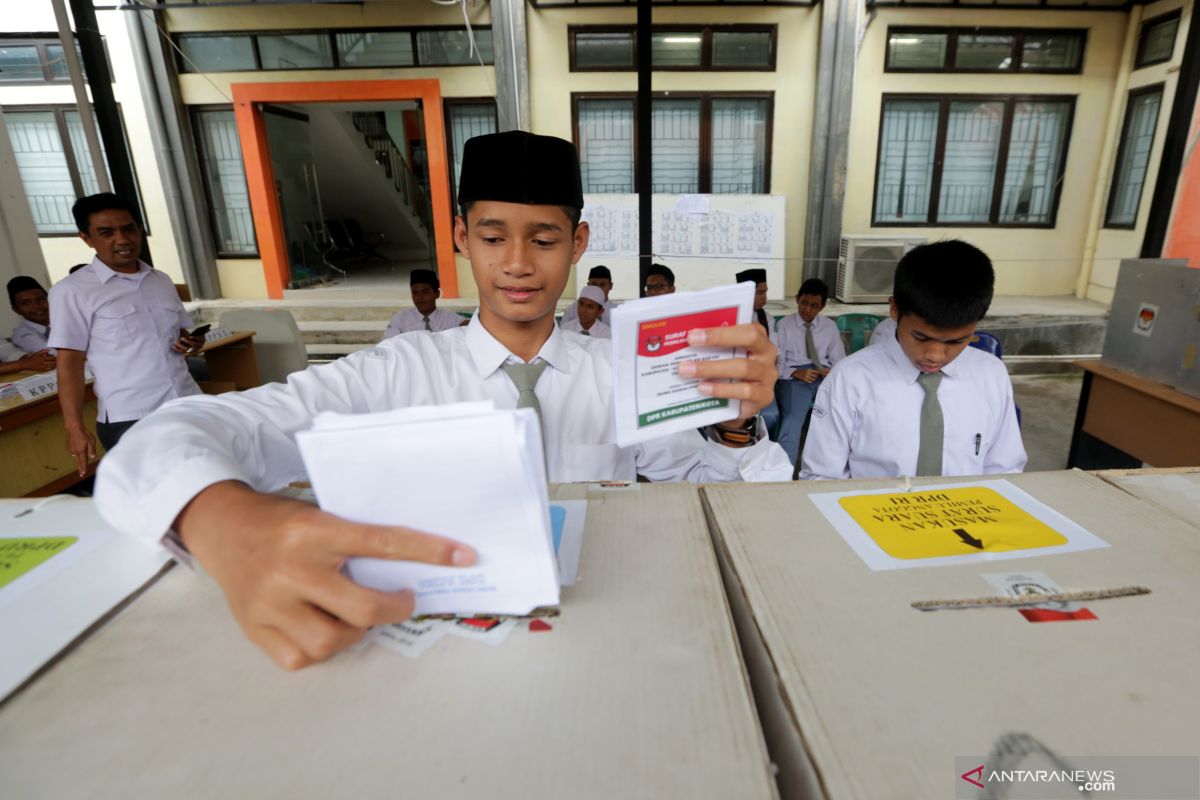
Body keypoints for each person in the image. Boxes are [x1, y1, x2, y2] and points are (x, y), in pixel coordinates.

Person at [94, 131, 790, 671]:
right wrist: (225, 521)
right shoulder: (393, 373)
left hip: (601, 634)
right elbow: (167, 437)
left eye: (544, 239)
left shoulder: (618, 373)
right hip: (437, 643)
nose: (517, 262)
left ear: (578, 243)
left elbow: (710, 487)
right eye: (492, 237)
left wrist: (734, 425)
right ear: (461, 237)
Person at [799, 240, 1027, 480]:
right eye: (921, 337)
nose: (935, 355)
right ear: (895, 310)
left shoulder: (991, 375)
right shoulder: (851, 379)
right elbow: (821, 477)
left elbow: (1004, 471)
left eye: (956, 341)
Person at [48, 193, 204, 467]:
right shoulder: (71, 291)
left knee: (208, 481)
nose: (122, 240)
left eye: (128, 229)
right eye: (106, 233)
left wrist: (190, 342)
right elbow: (69, 362)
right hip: (131, 416)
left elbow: (177, 335)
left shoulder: (160, 280)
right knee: (156, 491)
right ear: (86, 238)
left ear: (140, 229)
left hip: (188, 400)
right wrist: (74, 427)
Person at [773, 278, 844, 465]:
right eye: (804, 303)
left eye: (814, 306)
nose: (807, 310)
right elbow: (777, 364)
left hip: (824, 376)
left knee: (841, 414)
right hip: (795, 378)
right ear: (797, 299)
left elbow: (840, 360)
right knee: (793, 422)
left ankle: (831, 466)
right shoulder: (784, 326)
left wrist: (831, 372)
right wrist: (796, 373)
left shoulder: (829, 327)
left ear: (822, 307)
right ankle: (783, 471)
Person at [736, 268, 779, 437]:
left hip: (760, 379)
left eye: (766, 291)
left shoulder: (767, 319)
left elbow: (774, 354)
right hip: (736, 378)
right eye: (760, 293)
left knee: (770, 415)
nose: (765, 297)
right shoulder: (732, 317)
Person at [380, 269, 464, 339]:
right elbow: (387, 344)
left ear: (437, 294)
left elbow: (467, 331)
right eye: (415, 292)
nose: (419, 297)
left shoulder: (451, 319)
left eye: (425, 292)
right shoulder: (400, 319)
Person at [8, 276, 51, 353]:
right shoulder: (23, 335)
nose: (37, 306)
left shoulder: (63, 322)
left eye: (40, 299)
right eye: (25, 303)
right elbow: (55, 355)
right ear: (16, 310)